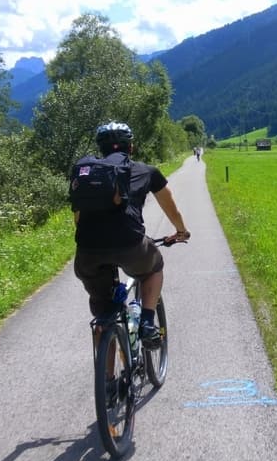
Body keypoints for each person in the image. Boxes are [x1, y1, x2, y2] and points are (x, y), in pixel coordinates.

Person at [72, 121, 190, 347]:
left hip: (88, 252)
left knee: (103, 314)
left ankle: (107, 379)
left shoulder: (90, 176)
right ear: (131, 147)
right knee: (153, 268)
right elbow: (170, 206)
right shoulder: (147, 171)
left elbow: (77, 219)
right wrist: (181, 231)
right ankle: (146, 323)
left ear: (102, 150)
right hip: (130, 246)